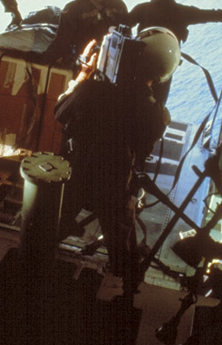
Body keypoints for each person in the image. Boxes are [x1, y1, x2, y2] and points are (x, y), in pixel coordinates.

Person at [54, 26, 181, 301]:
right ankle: (128, 291)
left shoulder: (93, 89)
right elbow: (142, 146)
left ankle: (37, 256)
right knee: (123, 244)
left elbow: (60, 112)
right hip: (114, 184)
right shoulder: (156, 114)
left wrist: (84, 75)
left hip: (76, 174)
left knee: (53, 225)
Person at [127, 0, 222, 103]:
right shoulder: (184, 12)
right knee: (156, 105)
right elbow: (217, 15)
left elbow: (122, 24)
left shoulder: (142, 9)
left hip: (139, 67)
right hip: (164, 68)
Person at [40, 0, 128, 72]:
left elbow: (60, 46)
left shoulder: (72, 10)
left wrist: (40, 59)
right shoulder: (119, 4)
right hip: (121, 68)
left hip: (89, 71)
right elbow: (128, 37)